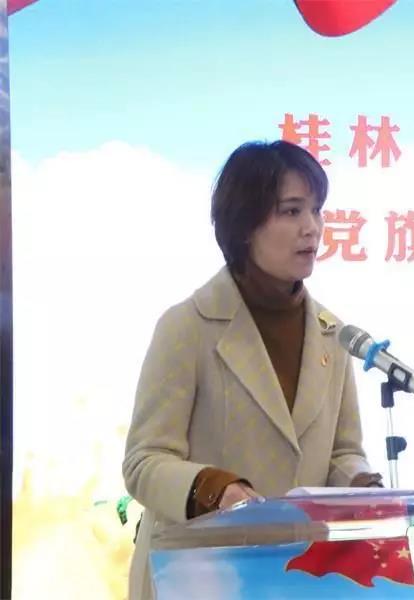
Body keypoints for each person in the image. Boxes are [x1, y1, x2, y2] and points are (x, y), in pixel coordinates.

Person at [122, 140, 382, 600]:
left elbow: (343, 453)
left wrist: (362, 485)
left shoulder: (332, 333)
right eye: (291, 211)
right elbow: (144, 462)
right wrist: (214, 488)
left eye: (317, 211)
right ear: (245, 226)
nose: (312, 228)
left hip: (295, 576)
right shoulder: (187, 325)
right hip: (199, 575)